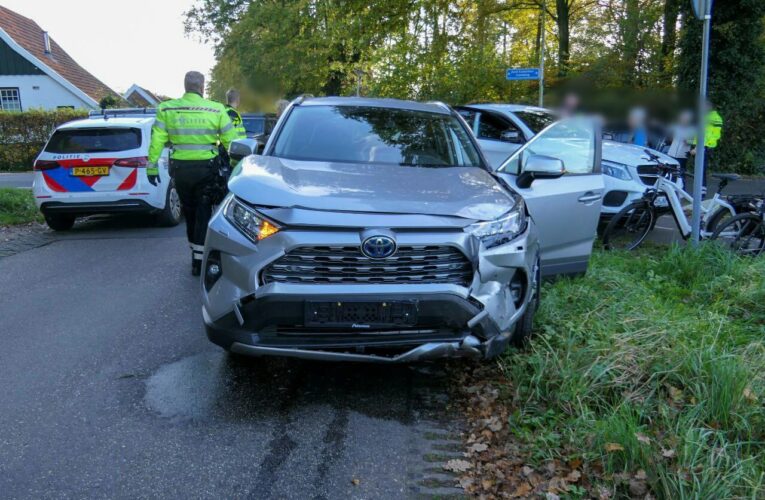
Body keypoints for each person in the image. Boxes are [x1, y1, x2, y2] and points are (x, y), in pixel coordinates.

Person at [148, 71, 239, 276]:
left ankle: (195, 254)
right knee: (204, 211)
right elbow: (231, 141)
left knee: (189, 213)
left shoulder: (167, 109)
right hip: (206, 169)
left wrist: (152, 167)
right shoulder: (215, 109)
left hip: (181, 170)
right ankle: (200, 260)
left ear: (185, 86)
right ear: (202, 87)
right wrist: (236, 165)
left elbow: (157, 140)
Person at [688, 101, 723, 192]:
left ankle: (701, 193)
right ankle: (700, 192)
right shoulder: (706, 117)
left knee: (700, 170)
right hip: (702, 146)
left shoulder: (712, 118)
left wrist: (699, 147)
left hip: (704, 146)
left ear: (708, 107)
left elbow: (707, 135)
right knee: (699, 170)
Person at [667, 110, 695, 188]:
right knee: (671, 173)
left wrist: (688, 140)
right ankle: (671, 190)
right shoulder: (676, 126)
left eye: (685, 118)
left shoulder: (692, 129)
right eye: (682, 118)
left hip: (682, 155)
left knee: (680, 174)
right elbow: (669, 135)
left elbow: (693, 141)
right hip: (671, 153)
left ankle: (682, 191)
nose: (683, 120)